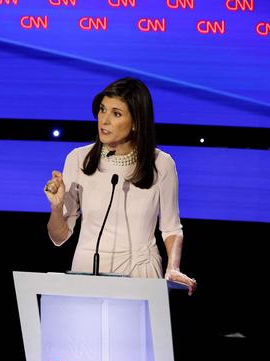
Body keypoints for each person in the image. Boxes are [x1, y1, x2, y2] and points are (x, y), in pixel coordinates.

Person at [44, 77, 197, 295]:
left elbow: (171, 228)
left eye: (116, 113)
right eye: (102, 109)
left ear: (136, 122)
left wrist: (173, 268)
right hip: (88, 273)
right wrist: (57, 207)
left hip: (140, 275)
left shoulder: (162, 164)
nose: (103, 120)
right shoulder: (78, 159)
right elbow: (59, 237)